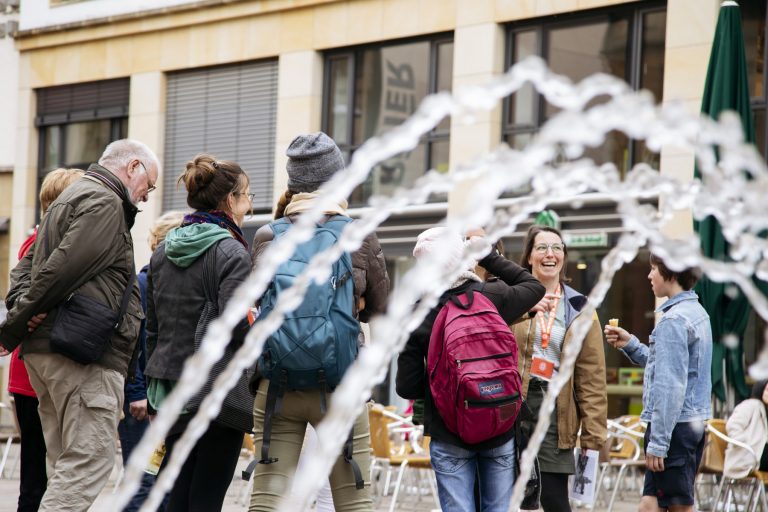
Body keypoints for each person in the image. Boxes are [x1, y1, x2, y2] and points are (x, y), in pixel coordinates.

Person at [0, 139, 160, 511]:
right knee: (89, 462)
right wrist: (17, 324)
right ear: (133, 167)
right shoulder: (104, 202)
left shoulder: (70, 199)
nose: (147, 196)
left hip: (51, 352)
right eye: (148, 185)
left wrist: (23, 313)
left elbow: (26, 268)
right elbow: (60, 270)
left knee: (65, 465)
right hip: (80, 354)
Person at [249, 132, 389, 512]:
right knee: (353, 499)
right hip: (340, 385)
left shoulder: (268, 236)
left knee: (268, 496)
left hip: (278, 386)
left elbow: (253, 307)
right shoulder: (359, 236)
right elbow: (382, 316)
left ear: (293, 184)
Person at [396, 227, 545, 512]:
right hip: (498, 424)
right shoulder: (494, 295)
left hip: (448, 430)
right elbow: (534, 286)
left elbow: (406, 387)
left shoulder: (417, 313)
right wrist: (489, 255)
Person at [144, 155, 252, 512]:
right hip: (213, 389)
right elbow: (235, 325)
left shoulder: (163, 252)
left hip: (169, 386)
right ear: (229, 201)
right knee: (207, 494)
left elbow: (153, 328)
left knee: (176, 490)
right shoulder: (231, 251)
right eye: (246, 196)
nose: (249, 206)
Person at [605, 254, 712, 512]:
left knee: (679, 507)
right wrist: (631, 344)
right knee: (648, 505)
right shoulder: (696, 314)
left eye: (654, 269)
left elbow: (670, 386)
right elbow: (668, 369)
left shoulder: (674, 321)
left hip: (674, 428)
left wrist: (659, 443)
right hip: (686, 425)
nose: (649, 275)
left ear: (671, 273)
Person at [511, 224, 607, 512]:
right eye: (541, 247)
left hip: (556, 410)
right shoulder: (511, 297)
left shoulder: (580, 307)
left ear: (564, 256)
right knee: (507, 494)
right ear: (529, 256)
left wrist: (593, 434)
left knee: (553, 498)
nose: (549, 254)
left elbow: (591, 376)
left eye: (557, 248)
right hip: (512, 405)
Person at [4, 167, 83, 512]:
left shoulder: (36, 242)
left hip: (29, 374)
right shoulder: (42, 245)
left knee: (40, 475)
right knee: (40, 478)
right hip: (36, 378)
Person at [119, 210, 184, 512]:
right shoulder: (143, 285)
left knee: (163, 485)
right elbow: (131, 344)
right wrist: (137, 393)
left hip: (163, 400)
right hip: (142, 401)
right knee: (143, 482)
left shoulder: (171, 287)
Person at [723, 379, 768, 478]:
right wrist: (745, 445)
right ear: (760, 390)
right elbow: (733, 425)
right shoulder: (751, 405)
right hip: (750, 456)